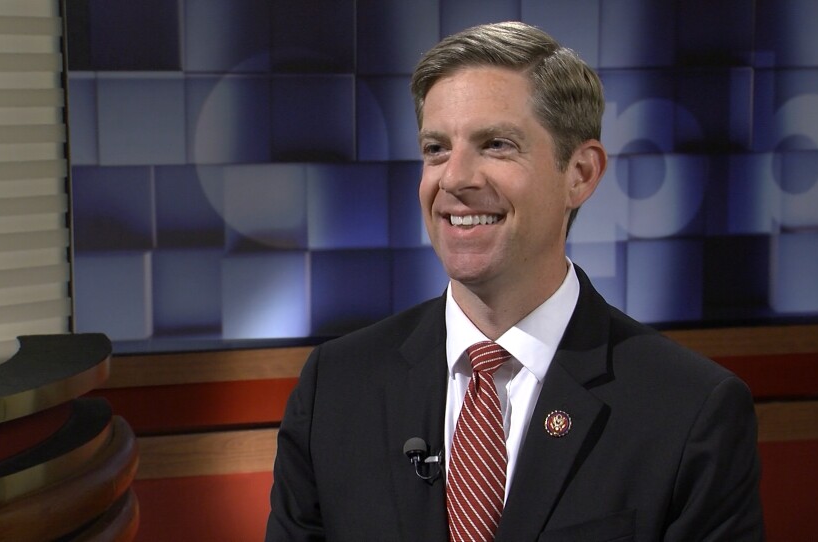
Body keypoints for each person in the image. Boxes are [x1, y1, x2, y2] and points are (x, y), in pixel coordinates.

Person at [266, 21, 764, 541]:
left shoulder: (690, 411)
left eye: (496, 144)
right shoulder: (336, 388)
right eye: (436, 148)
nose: (455, 178)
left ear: (581, 174)